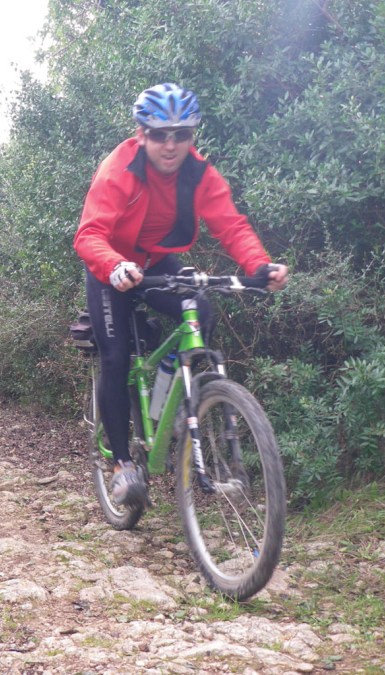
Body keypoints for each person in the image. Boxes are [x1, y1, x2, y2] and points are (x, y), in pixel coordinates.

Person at [73, 82, 289, 507]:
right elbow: (89, 234)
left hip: (156, 261)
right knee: (115, 356)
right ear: (141, 134)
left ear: (193, 136)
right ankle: (122, 464)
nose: (170, 145)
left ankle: (164, 402)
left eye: (182, 134)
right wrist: (114, 265)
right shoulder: (120, 168)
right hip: (110, 264)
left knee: (201, 314)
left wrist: (259, 266)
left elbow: (231, 224)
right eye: (159, 134)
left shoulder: (198, 172)